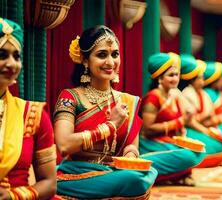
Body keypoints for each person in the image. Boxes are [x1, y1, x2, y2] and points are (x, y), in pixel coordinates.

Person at [54, 25, 157, 199]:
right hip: (76, 174)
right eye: (102, 55)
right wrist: (109, 126)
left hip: (114, 170)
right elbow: (64, 145)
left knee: (147, 172)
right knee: (136, 180)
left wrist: (131, 156)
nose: (110, 62)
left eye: (115, 54)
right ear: (85, 60)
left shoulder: (127, 101)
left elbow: (131, 145)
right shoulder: (70, 97)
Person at [0, 18, 56, 200]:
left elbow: (49, 183)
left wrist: (13, 196)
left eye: (16, 56)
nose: (12, 64)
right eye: (2, 55)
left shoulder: (32, 114)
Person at [139, 52, 206, 185]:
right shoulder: (153, 97)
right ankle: (173, 174)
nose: (175, 79)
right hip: (149, 144)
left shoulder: (173, 95)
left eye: (177, 75)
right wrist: (179, 122)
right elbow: (148, 130)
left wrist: (181, 129)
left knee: (198, 151)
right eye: (171, 75)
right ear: (159, 78)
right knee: (189, 155)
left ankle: (176, 175)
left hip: (167, 141)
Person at [180, 55, 222, 167]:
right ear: (192, 80)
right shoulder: (187, 93)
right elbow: (190, 121)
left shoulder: (203, 94)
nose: (203, 81)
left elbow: (209, 116)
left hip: (203, 126)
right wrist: (205, 128)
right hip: (189, 129)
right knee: (214, 146)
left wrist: (212, 122)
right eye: (200, 78)